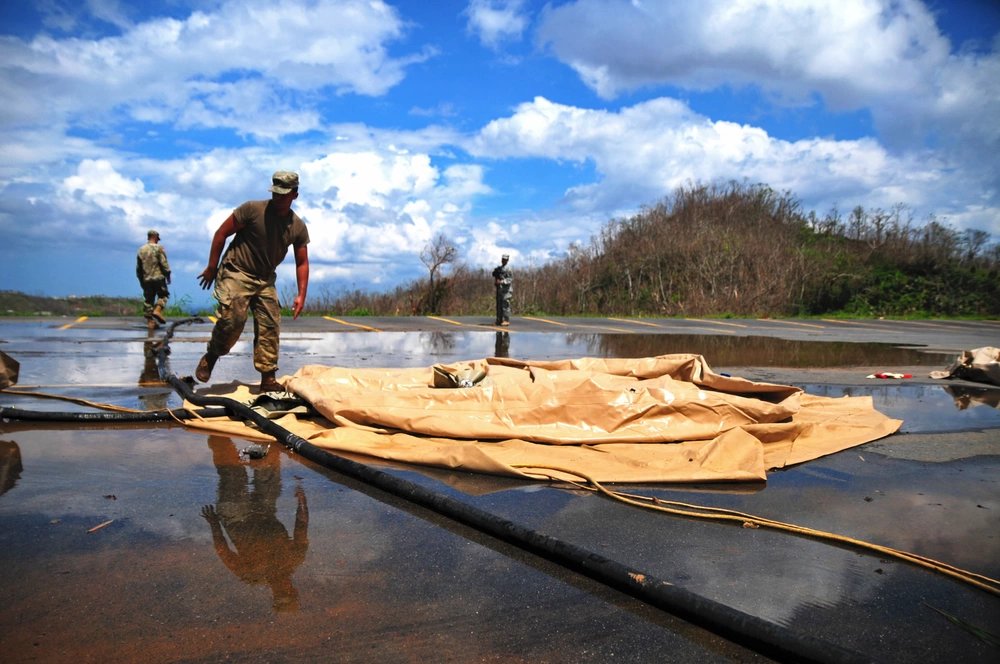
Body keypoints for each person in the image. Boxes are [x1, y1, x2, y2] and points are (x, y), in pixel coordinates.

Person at [194, 170, 310, 393]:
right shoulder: (252, 210)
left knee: (270, 326)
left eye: (284, 194)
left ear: (295, 195)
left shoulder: (297, 226)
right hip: (237, 271)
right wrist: (211, 267)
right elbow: (221, 233)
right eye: (276, 193)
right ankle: (211, 356)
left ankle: (268, 378)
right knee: (233, 321)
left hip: (265, 279)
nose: (278, 198)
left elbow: (302, 262)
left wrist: (301, 294)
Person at [136, 229, 171, 330]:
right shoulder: (159, 248)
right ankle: (158, 310)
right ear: (155, 237)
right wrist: (168, 275)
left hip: (146, 278)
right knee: (164, 295)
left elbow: (139, 268)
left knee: (148, 300)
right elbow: (164, 264)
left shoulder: (141, 250)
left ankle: (150, 322)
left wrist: (141, 280)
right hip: (158, 277)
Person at [492, 253, 512, 326]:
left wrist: (502, 281)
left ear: (507, 260)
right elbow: (495, 275)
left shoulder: (508, 269)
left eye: (505, 259)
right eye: (503, 259)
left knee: (505, 305)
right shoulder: (499, 268)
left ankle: (506, 320)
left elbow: (510, 279)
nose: (503, 260)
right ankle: (499, 320)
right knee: (499, 305)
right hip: (499, 289)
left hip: (506, 290)